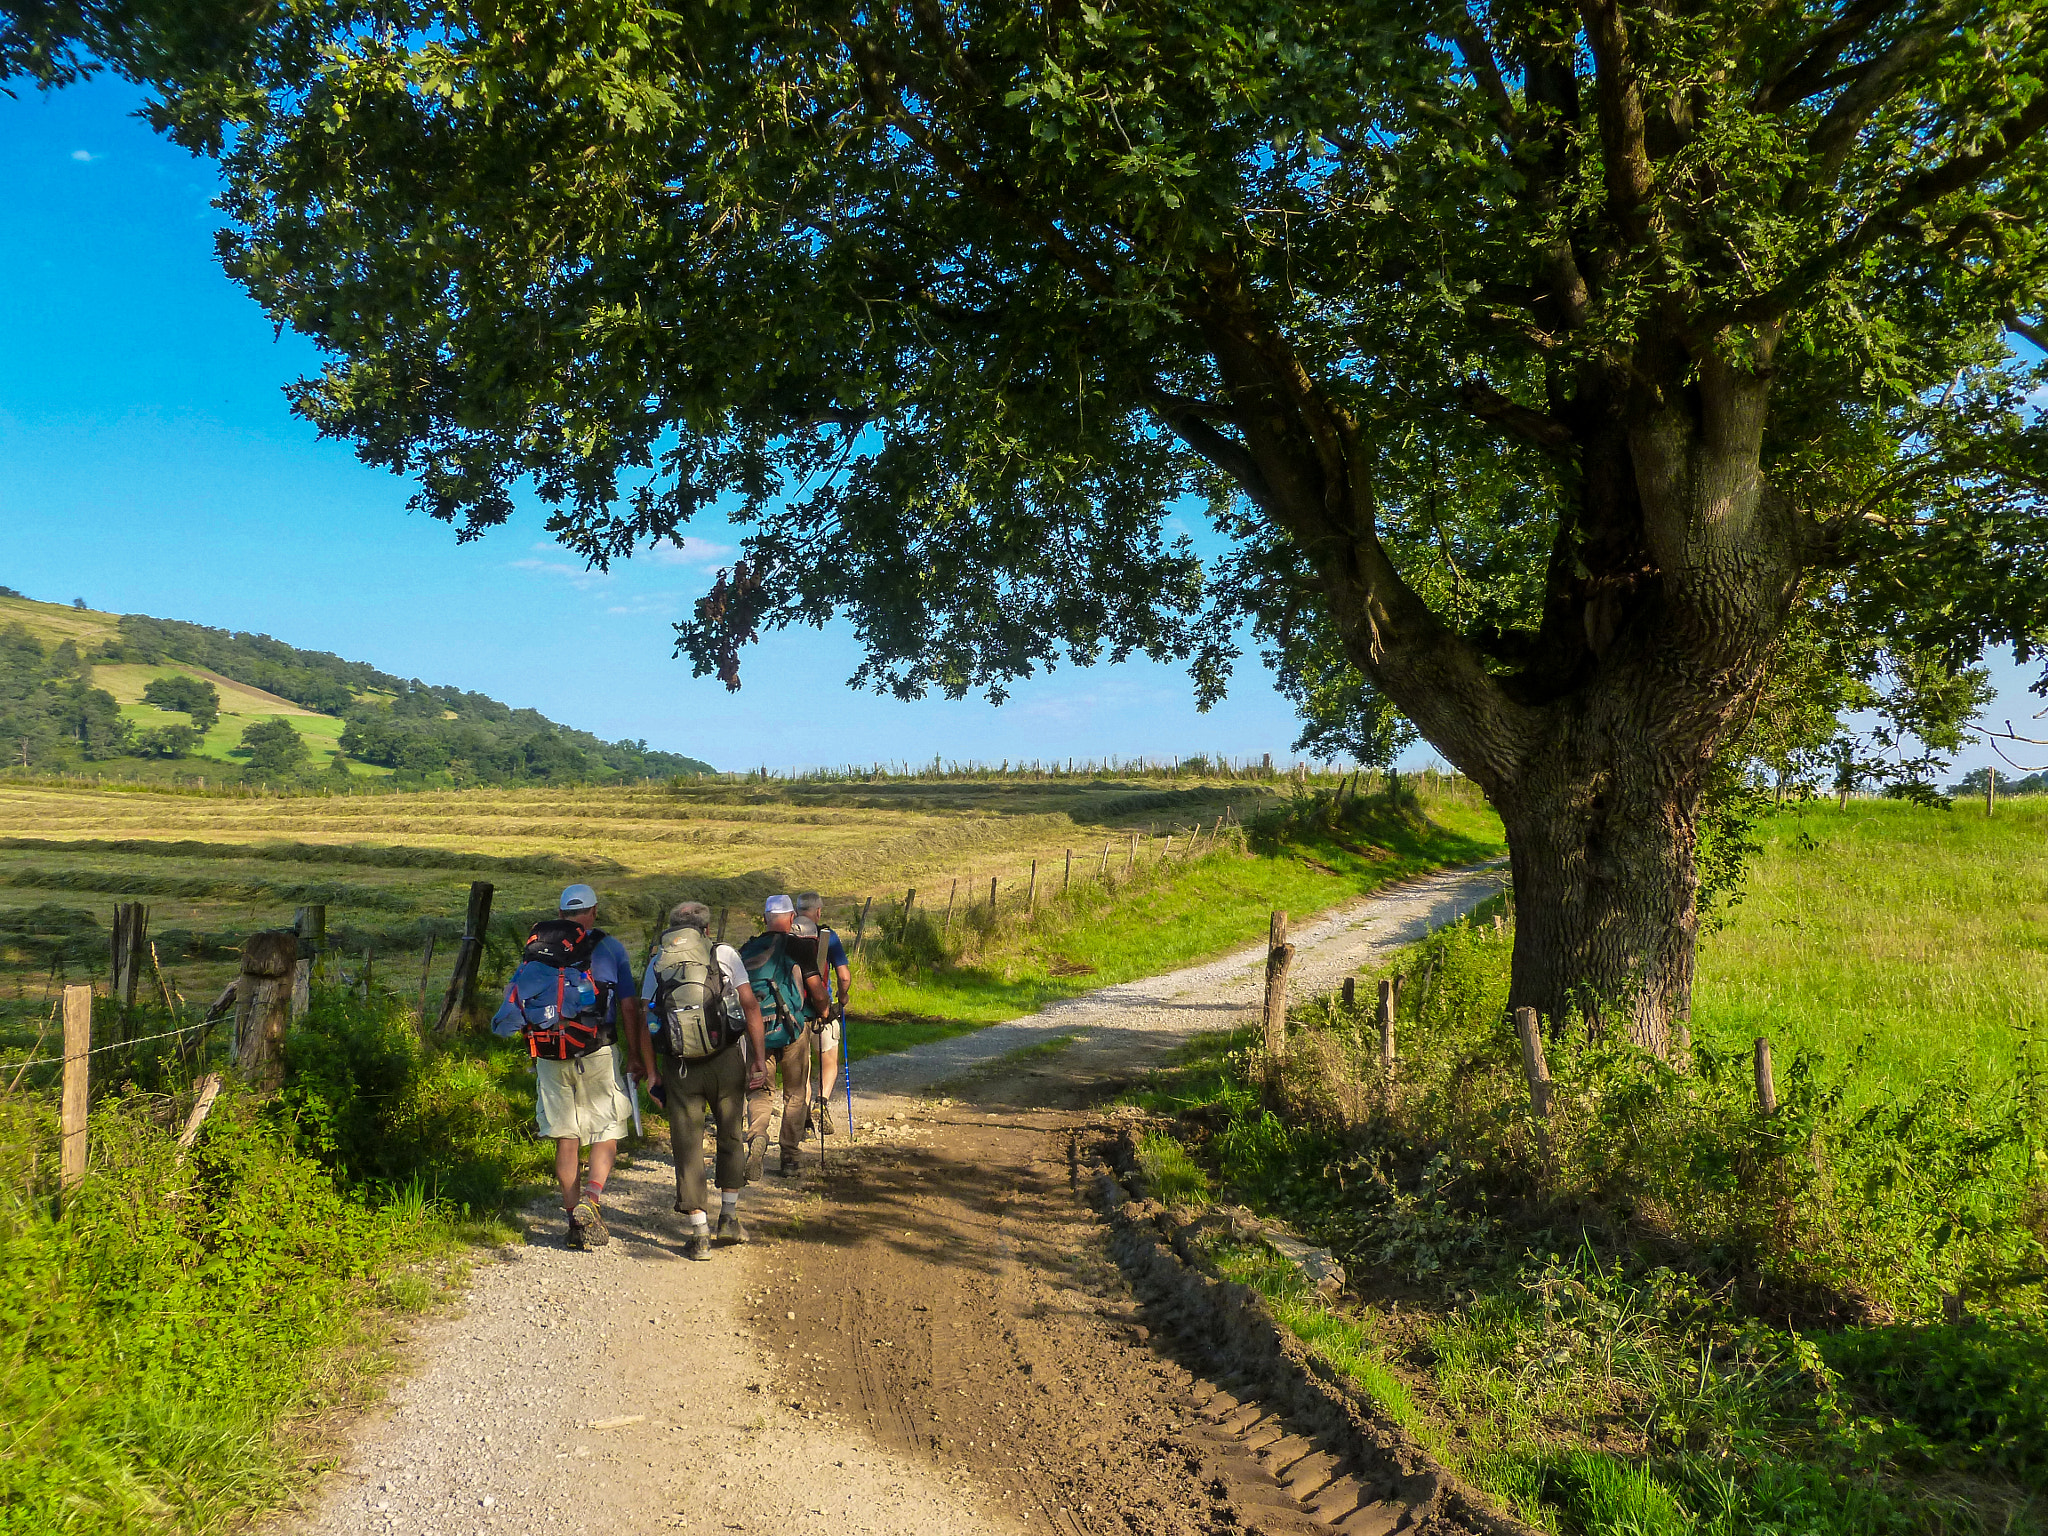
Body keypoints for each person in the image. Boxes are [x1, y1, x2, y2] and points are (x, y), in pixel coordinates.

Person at [492, 882, 646, 1250]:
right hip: (597, 1050)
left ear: (560, 914)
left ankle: (572, 1216)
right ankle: (591, 1202)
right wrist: (637, 1053)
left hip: (548, 1053)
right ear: (593, 912)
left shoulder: (537, 951)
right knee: (605, 1127)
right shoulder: (610, 948)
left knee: (567, 1135)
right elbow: (628, 1005)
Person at [640, 901, 768, 1259]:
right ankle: (728, 1218)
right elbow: (750, 1005)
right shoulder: (723, 953)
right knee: (729, 1133)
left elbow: (644, 1019)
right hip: (725, 1057)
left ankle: (699, 1235)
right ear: (706, 929)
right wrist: (758, 1058)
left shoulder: (657, 961)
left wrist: (651, 1072)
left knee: (687, 1143)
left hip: (678, 1064)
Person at [738, 894, 813, 1178]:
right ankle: (790, 1158)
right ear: (792, 918)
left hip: (757, 1033)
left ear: (764, 918)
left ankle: (757, 1135)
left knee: (759, 1089)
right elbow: (814, 987)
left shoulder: (745, 950)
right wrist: (822, 1011)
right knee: (795, 1092)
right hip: (792, 1028)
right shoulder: (796, 945)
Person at [793, 891, 851, 1134]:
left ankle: (805, 1118)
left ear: (796, 912)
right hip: (823, 1010)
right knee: (828, 1060)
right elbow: (844, 976)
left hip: (794, 1013)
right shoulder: (828, 937)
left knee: (802, 1068)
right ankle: (823, 1101)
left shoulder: (787, 937)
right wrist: (843, 995)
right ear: (818, 912)